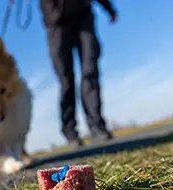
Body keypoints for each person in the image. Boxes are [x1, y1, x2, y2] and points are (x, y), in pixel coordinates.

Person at [39, 0, 118, 148]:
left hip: (83, 18)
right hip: (56, 23)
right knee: (65, 80)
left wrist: (109, 9)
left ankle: (97, 126)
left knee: (90, 72)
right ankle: (70, 132)